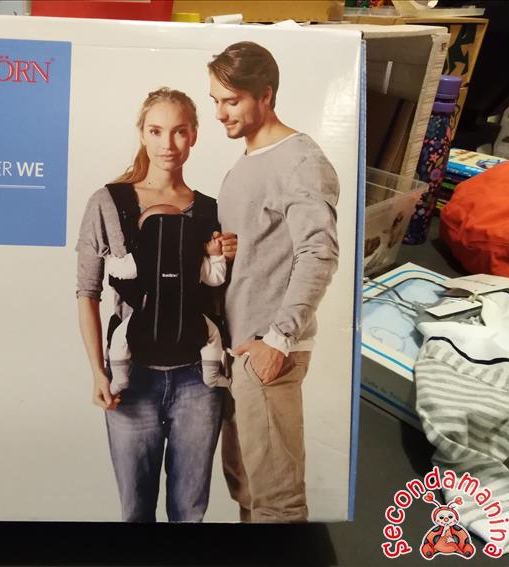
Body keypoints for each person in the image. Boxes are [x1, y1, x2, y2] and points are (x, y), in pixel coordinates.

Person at [75, 87, 236, 522]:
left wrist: (230, 255)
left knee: (189, 512)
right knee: (135, 511)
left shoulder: (212, 211)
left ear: (195, 135)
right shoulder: (108, 203)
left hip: (198, 380)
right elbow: (87, 292)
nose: (168, 144)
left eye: (180, 131)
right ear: (142, 133)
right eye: (156, 131)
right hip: (131, 377)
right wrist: (98, 371)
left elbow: (220, 294)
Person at [208, 42, 340, 523]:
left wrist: (277, 340)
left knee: (277, 503)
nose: (221, 114)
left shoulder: (300, 160)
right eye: (215, 101)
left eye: (232, 101)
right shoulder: (247, 163)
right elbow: (261, 248)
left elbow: (319, 252)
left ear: (265, 95)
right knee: (246, 491)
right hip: (239, 351)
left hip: (268, 351)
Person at [105, 203, 230, 394]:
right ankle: (211, 375)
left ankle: (120, 377)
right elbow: (216, 279)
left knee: (120, 337)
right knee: (212, 335)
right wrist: (215, 257)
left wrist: (109, 259)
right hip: (188, 318)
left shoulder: (141, 256)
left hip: (147, 318)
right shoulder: (193, 257)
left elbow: (119, 270)